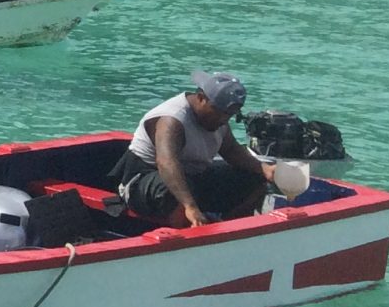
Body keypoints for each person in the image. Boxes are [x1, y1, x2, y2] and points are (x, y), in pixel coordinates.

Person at [110, 70, 275, 227]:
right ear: (202, 98)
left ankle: (230, 228)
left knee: (254, 178)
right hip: (144, 180)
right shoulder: (172, 120)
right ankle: (184, 239)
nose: (224, 119)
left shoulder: (218, 121)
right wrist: (190, 206)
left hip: (193, 175)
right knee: (175, 191)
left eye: (229, 115)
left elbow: (230, 149)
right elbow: (166, 163)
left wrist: (263, 169)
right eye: (219, 112)